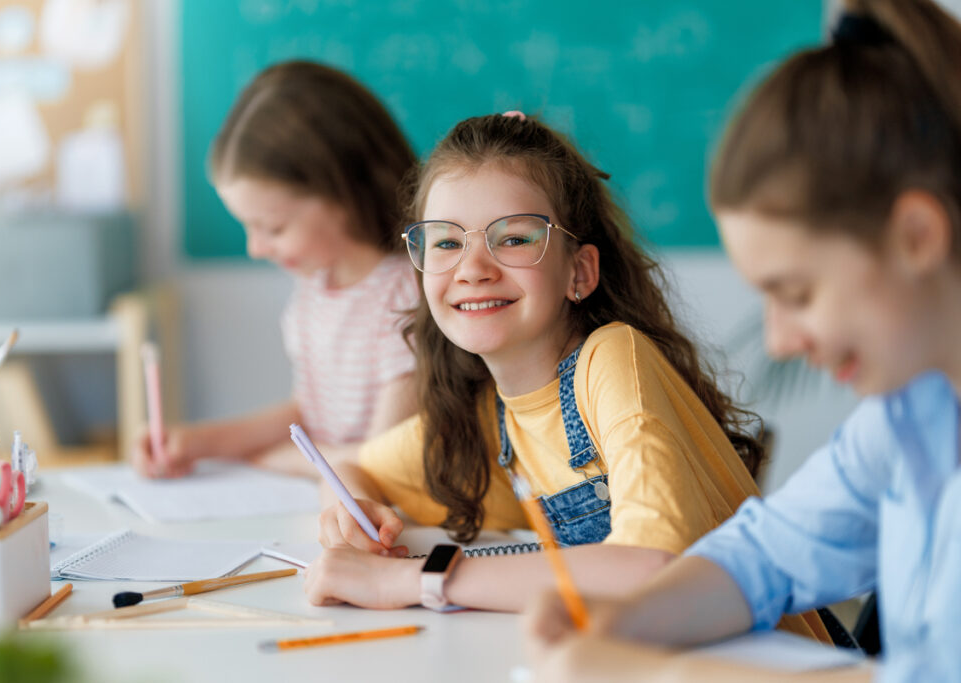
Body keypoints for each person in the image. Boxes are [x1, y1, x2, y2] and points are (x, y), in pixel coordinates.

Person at [525, 1, 961, 680]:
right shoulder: (909, 416)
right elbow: (770, 553)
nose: (781, 340)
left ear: (916, 237)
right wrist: (621, 621)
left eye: (795, 292)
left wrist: (659, 672)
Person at [302, 112, 826, 640]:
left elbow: (651, 567)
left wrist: (413, 580)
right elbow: (349, 466)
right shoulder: (489, 416)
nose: (472, 267)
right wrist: (349, 518)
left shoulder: (611, 359)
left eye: (513, 239)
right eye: (444, 242)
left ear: (579, 272)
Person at [133, 61, 420, 479]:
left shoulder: (406, 296)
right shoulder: (316, 289)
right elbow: (310, 413)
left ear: (343, 190)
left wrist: (271, 460)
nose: (255, 247)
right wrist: (195, 443)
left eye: (273, 228)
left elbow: (382, 460)